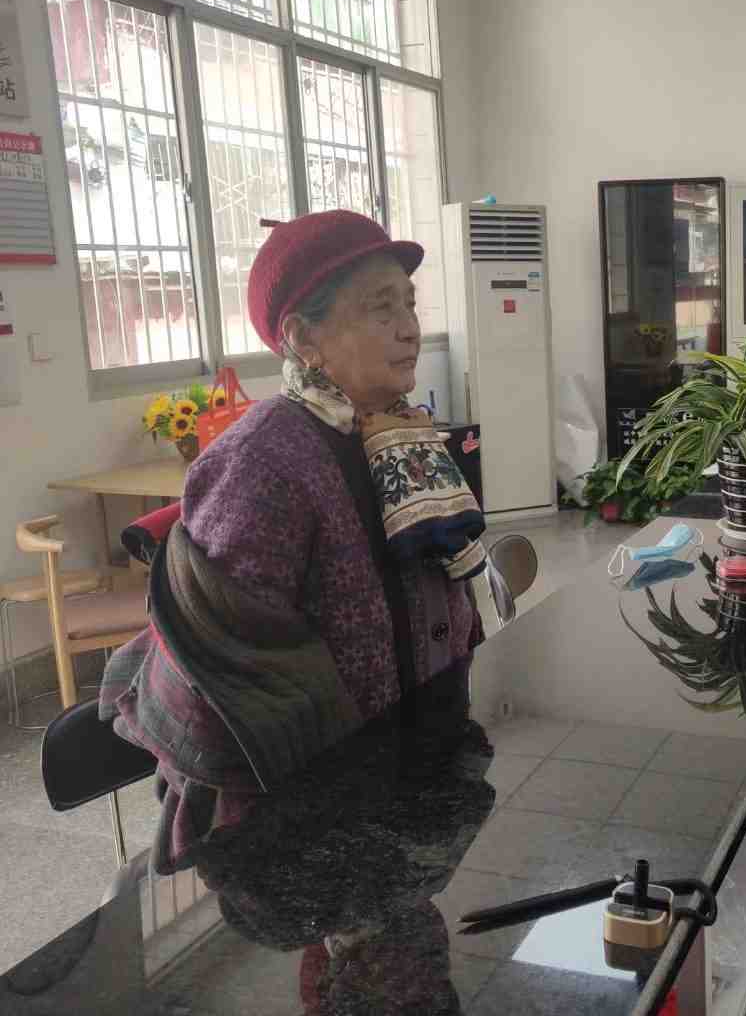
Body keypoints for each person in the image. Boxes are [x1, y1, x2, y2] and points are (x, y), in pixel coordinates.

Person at [100, 209, 487, 875]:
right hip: (295, 826)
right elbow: (231, 681)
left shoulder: (399, 436)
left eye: (409, 303)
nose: (409, 327)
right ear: (305, 338)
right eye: (380, 307)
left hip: (411, 783)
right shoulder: (262, 463)